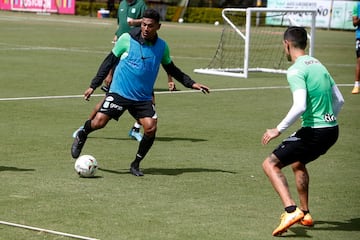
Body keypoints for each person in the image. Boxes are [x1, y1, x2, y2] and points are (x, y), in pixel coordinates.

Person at [71, 9, 210, 177]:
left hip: (142, 97)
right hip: (119, 92)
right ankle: (82, 133)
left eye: (150, 26)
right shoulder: (126, 39)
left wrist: (191, 83)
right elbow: (108, 62)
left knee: (150, 128)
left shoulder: (162, 47)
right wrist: (93, 85)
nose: (145, 28)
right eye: (143, 24)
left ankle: (135, 163)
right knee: (99, 122)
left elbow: (172, 68)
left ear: (158, 27)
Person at [261, 27, 344, 236]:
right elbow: (340, 99)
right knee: (298, 163)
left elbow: (300, 106)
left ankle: (290, 210)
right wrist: (327, 120)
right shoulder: (318, 64)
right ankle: (305, 213)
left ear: (287, 44)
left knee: (270, 164)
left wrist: (277, 130)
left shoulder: (296, 70)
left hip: (315, 131)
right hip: (332, 129)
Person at [352, 2, 360, 94]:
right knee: (359, 60)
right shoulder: (357, 5)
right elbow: (354, 23)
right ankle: (356, 85)